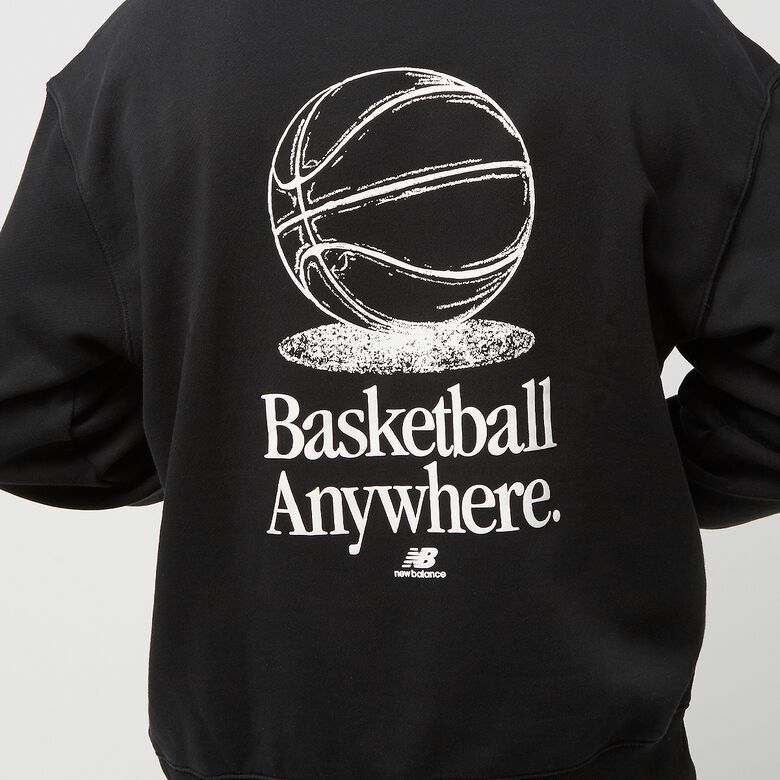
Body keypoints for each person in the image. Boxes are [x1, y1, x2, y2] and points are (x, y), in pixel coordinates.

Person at [1, 1, 779, 777]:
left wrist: (217, 453)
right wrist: (620, 479)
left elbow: (25, 404)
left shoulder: (153, 49)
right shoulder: (654, 32)